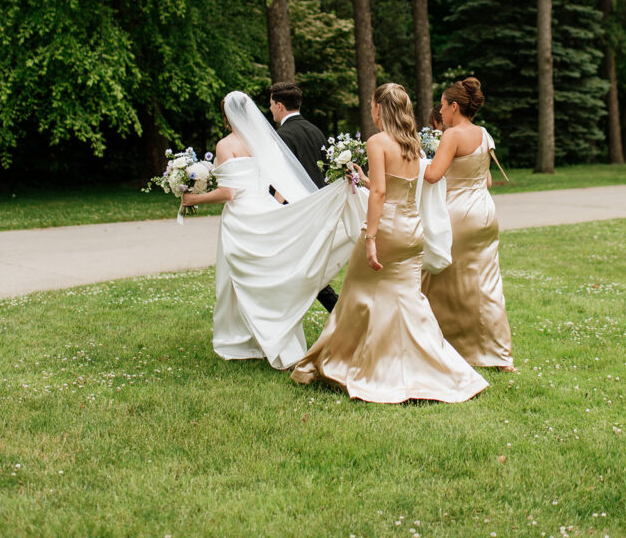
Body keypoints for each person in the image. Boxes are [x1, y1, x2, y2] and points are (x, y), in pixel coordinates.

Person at [290, 83, 488, 403]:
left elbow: (381, 195)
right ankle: (442, 369)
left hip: (387, 231)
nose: (371, 109)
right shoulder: (412, 145)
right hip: (413, 232)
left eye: (372, 104)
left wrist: (370, 237)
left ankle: (344, 362)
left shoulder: (378, 141)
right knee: (409, 302)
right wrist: (364, 179)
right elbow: (398, 187)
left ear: (379, 109)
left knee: (355, 297)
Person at [182, 92, 365, 369]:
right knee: (266, 277)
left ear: (226, 115)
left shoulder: (225, 145)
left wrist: (193, 199)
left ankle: (241, 339)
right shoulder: (262, 141)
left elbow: (229, 193)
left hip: (241, 218)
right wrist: (286, 208)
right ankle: (264, 334)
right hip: (266, 209)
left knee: (236, 279)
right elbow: (274, 185)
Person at [420, 77, 514, 371]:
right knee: (486, 283)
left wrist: (413, 162)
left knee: (434, 277)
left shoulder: (452, 135)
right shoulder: (484, 134)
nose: (442, 112)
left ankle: (436, 344)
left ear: (455, 106)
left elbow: (433, 175)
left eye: (444, 106)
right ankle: (499, 355)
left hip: (457, 213)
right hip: (485, 212)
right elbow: (486, 179)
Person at [269, 81, 338, 312]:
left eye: (270, 104)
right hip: (319, 208)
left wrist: (273, 210)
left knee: (298, 268)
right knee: (305, 269)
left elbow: (281, 177)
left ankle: (338, 309)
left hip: (294, 212)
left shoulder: (283, 135)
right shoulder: (316, 131)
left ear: (279, 105)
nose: (270, 110)